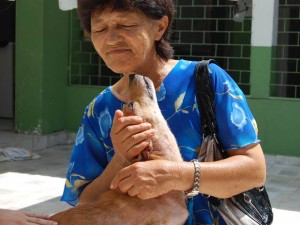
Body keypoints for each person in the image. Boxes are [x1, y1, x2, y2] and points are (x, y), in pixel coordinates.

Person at [61, 0, 267, 224]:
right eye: (99, 28)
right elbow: (87, 203)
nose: (110, 39)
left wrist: (175, 175)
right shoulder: (98, 110)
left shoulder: (206, 81)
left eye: (126, 25)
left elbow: (254, 171)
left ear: (159, 27)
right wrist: (120, 160)